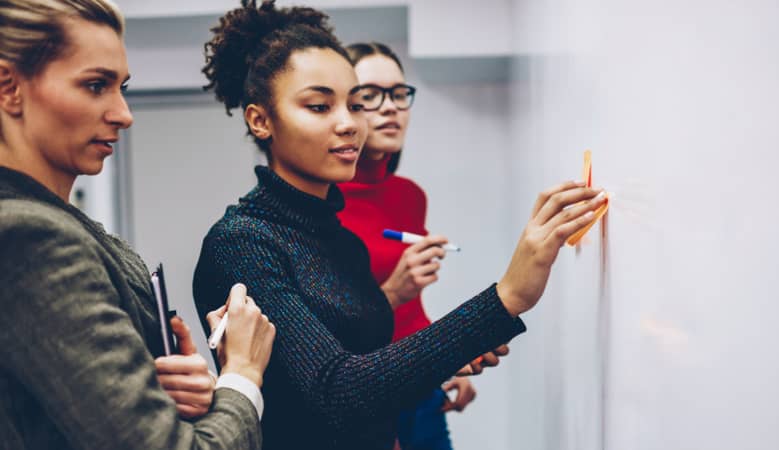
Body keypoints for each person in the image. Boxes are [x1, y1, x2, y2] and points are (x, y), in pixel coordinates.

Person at [192, 1, 608, 449]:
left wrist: (449, 352)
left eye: (355, 105)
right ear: (260, 120)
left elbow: (367, 364)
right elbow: (337, 394)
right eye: (319, 106)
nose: (349, 124)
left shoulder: (341, 241)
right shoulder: (242, 243)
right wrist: (507, 297)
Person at [0, 1, 276, 449]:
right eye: (95, 85)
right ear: (9, 86)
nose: (123, 113)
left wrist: (159, 387)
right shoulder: (31, 238)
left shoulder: (62, 225)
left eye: (121, 87)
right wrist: (242, 375)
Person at [337, 41, 475, 450]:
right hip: (365, 401)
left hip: (423, 386)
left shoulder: (410, 195)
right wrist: (392, 290)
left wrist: (448, 360)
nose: (390, 106)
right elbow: (322, 340)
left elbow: (412, 311)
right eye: (371, 95)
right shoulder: (321, 205)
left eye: (399, 94)